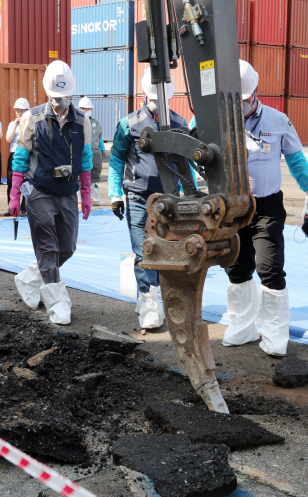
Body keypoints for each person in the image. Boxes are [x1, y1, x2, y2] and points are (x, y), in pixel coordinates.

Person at [222, 60, 308, 356]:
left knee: (269, 268)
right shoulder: (213, 120)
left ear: (254, 91)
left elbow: (297, 162)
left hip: (267, 207)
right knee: (236, 266)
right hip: (231, 208)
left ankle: (273, 334)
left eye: (244, 99)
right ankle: (242, 327)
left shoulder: (277, 119)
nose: (240, 105)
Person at [108, 67, 194, 331]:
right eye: (156, 102)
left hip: (169, 201)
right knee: (143, 250)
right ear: (146, 96)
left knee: (166, 250)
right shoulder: (129, 124)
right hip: (137, 197)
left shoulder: (180, 124)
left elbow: (186, 164)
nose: (160, 108)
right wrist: (114, 194)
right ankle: (147, 301)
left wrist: (193, 195)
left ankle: (154, 297)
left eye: (164, 102)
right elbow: (116, 160)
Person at [8, 60, 93, 325]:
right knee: (47, 246)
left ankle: (29, 278)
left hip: (67, 192)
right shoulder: (32, 118)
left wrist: (86, 193)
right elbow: (20, 158)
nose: (61, 102)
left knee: (66, 247)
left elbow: (87, 159)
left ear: (72, 93)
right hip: (39, 191)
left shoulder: (82, 121)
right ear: (48, 94)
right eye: (56, 97)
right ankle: (58, 303)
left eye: (65, 96)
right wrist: (14, 194)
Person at [78, 97, 106, 206]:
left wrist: (102, 148)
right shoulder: (76, 122)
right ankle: (80, 198)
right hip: (81, 153)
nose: (86, 110)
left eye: (88, 108)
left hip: (94, 153)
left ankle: (95, 198)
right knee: (80, 176)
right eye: (84, 108)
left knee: (94, 175)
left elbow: (99, 137)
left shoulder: (95, 123)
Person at [5, 98, 30, 217]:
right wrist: (15, 126)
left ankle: (24, 207)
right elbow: (8, 139)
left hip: (26, 154)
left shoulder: (31, 124)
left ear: (27, 111)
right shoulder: (12, 124)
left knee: (27, 182)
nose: (18, 113)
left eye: (21, 111)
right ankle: (11, 206)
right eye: (17, 111)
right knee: (11, 182)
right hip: (14, 155)